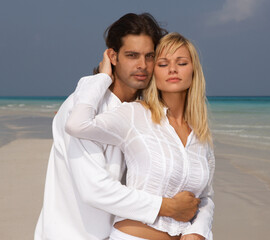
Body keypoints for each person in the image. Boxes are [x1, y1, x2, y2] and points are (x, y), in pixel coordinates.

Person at [35, 14, 200, 240]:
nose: (142, 65)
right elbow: (94, 189)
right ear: (113, 56)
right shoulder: (83, 107)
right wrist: (168, 207)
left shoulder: (145, 114)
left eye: (149, 56)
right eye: (132, 56)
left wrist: (195, 229)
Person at [66, 32, 215, 240]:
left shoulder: (201, 135)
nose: (172, 69)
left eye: (181, 63)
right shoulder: (134, 114)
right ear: (154, 73)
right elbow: (77, 124)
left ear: (193, 71)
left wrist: (196, 232)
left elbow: (205, 198)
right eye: (163, 64)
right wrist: (102, 77)